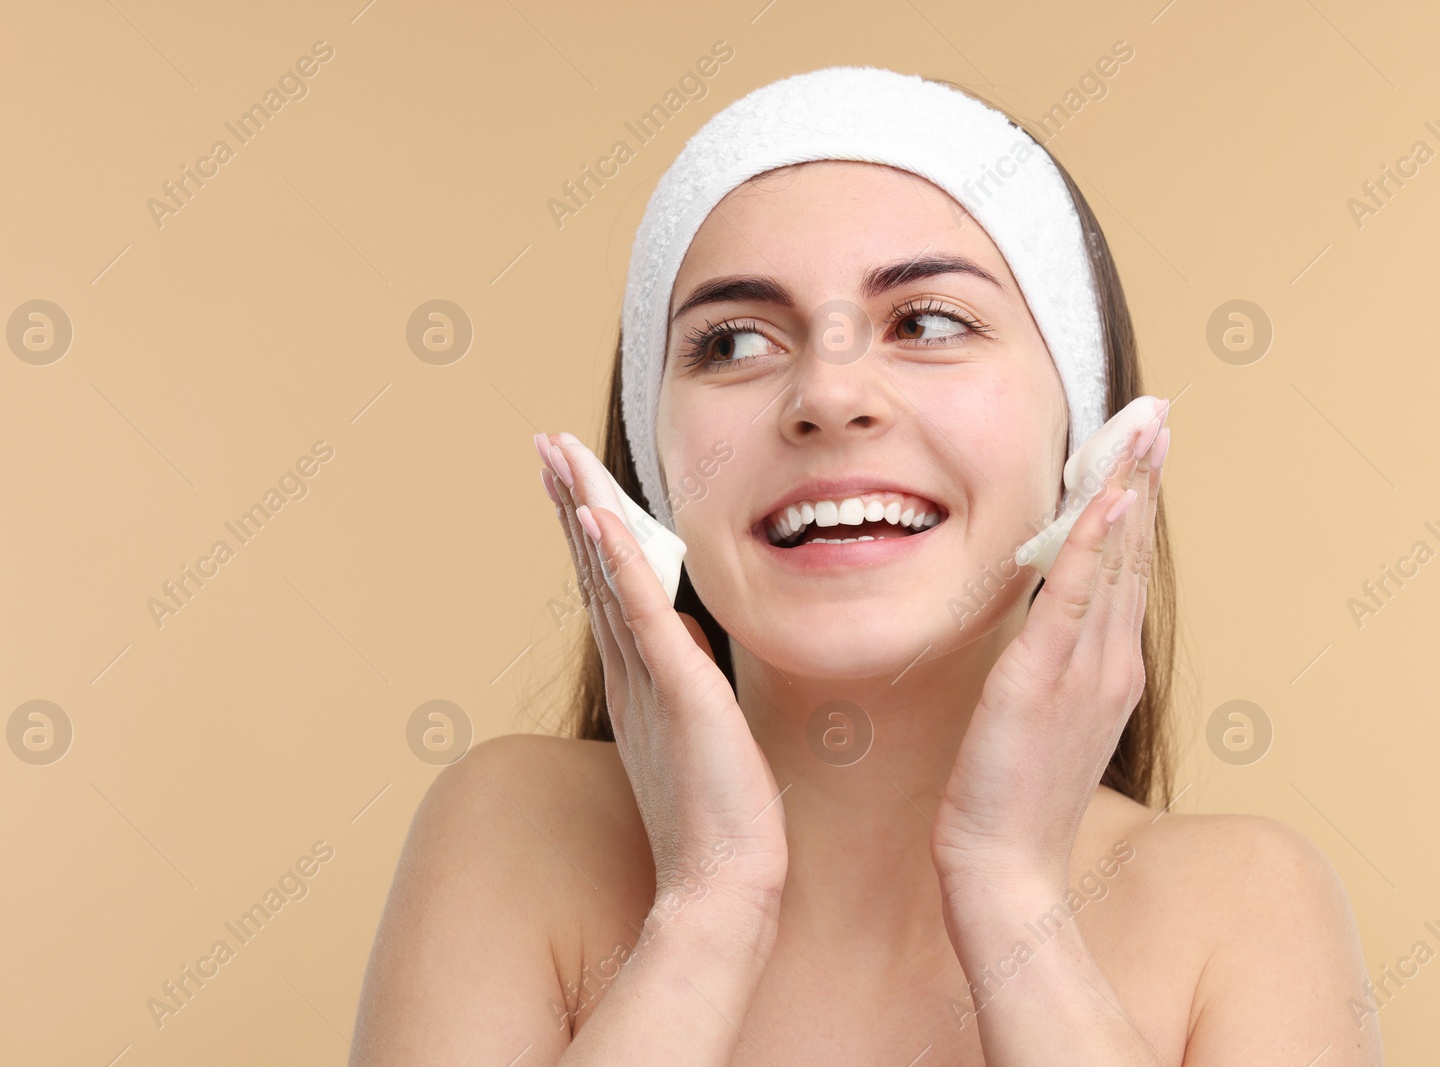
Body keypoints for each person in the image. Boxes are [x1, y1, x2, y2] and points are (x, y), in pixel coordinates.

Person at [350, 68, 1381, 1065]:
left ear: (1085, 438)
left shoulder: (1244, 904)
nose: (828, 394)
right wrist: (707, 909)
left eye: (927, 322)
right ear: (650, 468)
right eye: (734, 341)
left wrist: (1010, 899)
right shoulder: (517, 831)